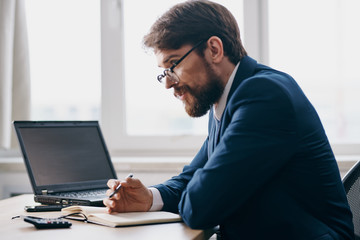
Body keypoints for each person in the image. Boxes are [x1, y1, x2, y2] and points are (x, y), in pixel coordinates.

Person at [103, 1, 354, 239]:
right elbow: (192, 177)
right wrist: (149, 197)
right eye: (163, 72)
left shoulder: (264, 96)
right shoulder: (227, 98)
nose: (168, 82)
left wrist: (200, 191)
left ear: (214, 49)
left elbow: (201, 207)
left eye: (174, 64)